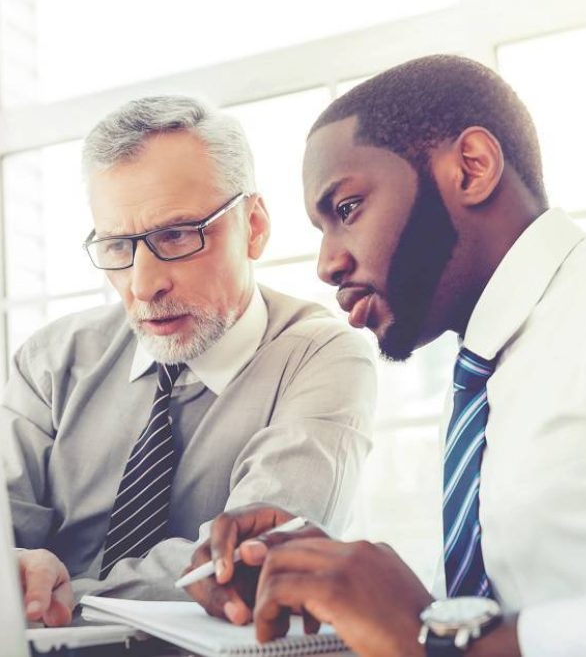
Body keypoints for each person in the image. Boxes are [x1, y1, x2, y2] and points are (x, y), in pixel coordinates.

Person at [185, 55, 586, 657]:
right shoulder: (481, 378)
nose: (327, 263)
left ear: (472, 168)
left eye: (346, 210)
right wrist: (331, 574)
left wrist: (438, 642)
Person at [1, 96, 377, 627]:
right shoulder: (50, 361)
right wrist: (16, 572)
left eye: (176, 235)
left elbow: (248, 561)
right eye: (117, 246)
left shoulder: (322, 356)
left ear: (254, 226)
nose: (144, 284)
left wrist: (58, 597)